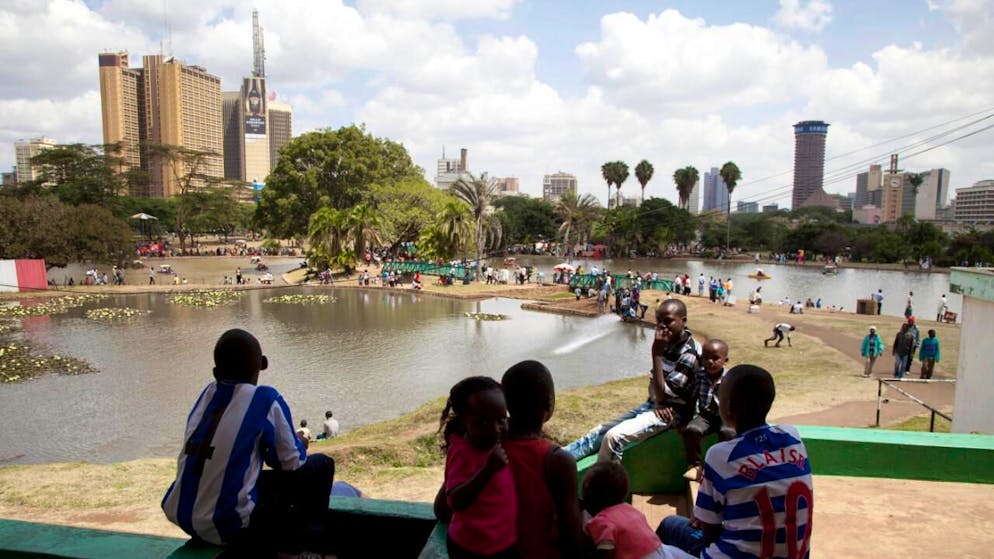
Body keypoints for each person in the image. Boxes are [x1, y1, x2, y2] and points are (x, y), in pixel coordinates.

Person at [161, 329, 335, 555]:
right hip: (228, 525)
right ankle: (307, 547)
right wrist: (301, 441)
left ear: (216, 372)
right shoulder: (265, 399)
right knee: (322, 465)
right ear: (261, 365)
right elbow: (291, 462)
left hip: (184, 517)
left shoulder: (207, 394)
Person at [658, 365, 813, 559]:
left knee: (669, 526)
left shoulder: (720, 455)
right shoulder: (793, 437)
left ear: (729, 407)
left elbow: (709, 535)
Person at [563, 299, 700, 462]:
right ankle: (554, 460)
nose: (662, 326)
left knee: (613, 438)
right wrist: (658, 399)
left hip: (673, 414)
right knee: (597, 433)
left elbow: (663, 393)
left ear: (683, 321)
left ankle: (605, 477)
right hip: (656, 405)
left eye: (668, 321)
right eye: (659, 321)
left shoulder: (689, 354)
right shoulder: (668, 342)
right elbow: (654, 385)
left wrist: (656, 354)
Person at [500, 361, 583, 558]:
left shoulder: (487, 445)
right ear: (548, 402)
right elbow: (571, 535)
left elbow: (443, 507)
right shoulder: (557, 461)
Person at [433, 376, 517, 559]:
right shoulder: (462, 454)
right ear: (464, 422)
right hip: (472, 548)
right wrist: (487, 470)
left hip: (502, 542)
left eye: (501, 419)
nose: (496, 429)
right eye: (484, 422)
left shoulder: (497, 442)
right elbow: (455, 501)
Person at [583, 461, 693, 559]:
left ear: (589, 496)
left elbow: (606, 550)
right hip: (662, 551)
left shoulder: (602, 521)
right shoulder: (629, 509)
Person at [681, 339, 735, 482]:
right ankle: (695, 466)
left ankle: (724, 468)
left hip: (726, 416)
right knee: (692, 430)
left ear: (725, 360)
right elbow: (691, 397)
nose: (710, 362)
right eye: (706, 358)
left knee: (728, 433)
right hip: (706, 415)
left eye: (715, 358)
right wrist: (685, 420)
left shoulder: (730, 378)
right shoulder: (699, 375)